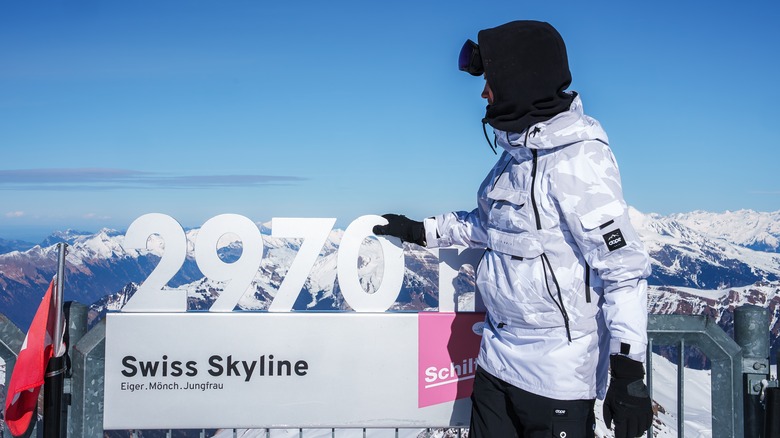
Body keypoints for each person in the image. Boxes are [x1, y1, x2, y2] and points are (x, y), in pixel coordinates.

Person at [373, 20, 653, 438]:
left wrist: (628, 370)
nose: (485, 92)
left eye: (491, 80)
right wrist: (420, 231)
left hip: (557, 376)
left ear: (522, 80)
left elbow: (623, 269)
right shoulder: (516, 155)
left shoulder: (579, 161)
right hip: (496, 360)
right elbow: (485, 224)